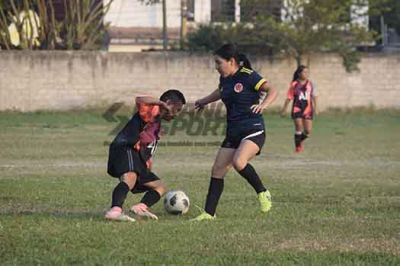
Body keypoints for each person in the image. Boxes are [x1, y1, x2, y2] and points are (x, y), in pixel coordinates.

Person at [192, 44, 278, 221]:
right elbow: (221, 92)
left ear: (231, 61)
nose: (216, 66)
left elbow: (273, 90)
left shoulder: (248, 75)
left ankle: (263, 192)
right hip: (233, 132)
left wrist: (263, 105)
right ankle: (209, 213)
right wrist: (204, 101)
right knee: (217, 170)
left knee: (239, 161)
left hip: (253, 129)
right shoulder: (225, 79)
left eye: (218, 62)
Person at [105, 90, 186, 221]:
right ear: (168, 103)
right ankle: (115, 211)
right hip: (125, 147)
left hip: (138, 157)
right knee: (130, 178)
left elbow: (148, 152)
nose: (176, 114)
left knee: (159, 186)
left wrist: (148, 170)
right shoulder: (152, 111)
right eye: (176, 109)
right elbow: (140, 99)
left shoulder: (158, 128)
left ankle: (140, 208)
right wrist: (160, 103)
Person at [280, 65, 318, 153]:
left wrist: (316, 108)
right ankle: (298, 147)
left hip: (308, 109)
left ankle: (299, 140)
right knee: (299, 126)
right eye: (305, 72)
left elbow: (314, 96)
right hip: (297, 108)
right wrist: (284, 109)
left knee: (308, 131)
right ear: (299, 73)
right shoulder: (294, 84)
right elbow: (289, 97)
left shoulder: (311, 84)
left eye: (308, 72)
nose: (307, 74)